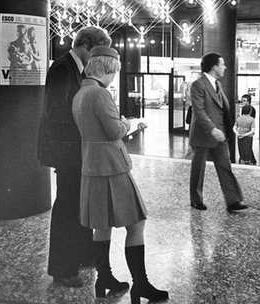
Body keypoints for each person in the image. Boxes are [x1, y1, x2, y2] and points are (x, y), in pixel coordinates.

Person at [72, 46, 168, 303]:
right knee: (136, 224)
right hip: (112, 168)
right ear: (106, 68)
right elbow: (115, 132)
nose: (114, 77)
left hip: (92, 167)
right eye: (113, 72)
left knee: (101, 227)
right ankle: (141, 285)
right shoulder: (100, 95)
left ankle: (104, 277)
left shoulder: (80, 93)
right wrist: (127, 123)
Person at [37, 26, 112, 287]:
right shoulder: (62, 68)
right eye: (97, 52)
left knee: (80, 204)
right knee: (68, 208)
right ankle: (62, 268)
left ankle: (82, 254)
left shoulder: (74, 67)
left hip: (75, 149)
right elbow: (55, 113)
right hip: (66, 150)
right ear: (88, 46)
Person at [189, 53, 249, 212]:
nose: (225, 67)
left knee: (225, 167)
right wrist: (212, 129)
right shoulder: (198, 85)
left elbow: (222, 108)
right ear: (214, 67)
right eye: (222, 64)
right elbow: (199, 111)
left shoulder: (217, 85)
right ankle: (196, 199)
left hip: (220, 134)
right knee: (198, 170)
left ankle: (233, 201)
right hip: (203, 134)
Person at [240, 94, 257, 164]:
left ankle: (249, 159)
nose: (242, 102)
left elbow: (250, 120)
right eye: (242, 100)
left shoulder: (251, 109)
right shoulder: (244, 108)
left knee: (247, 145)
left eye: (244, 101)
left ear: (248, 101)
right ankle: (249, 159)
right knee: (245, 145)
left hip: (248, 130)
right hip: (244, 130)